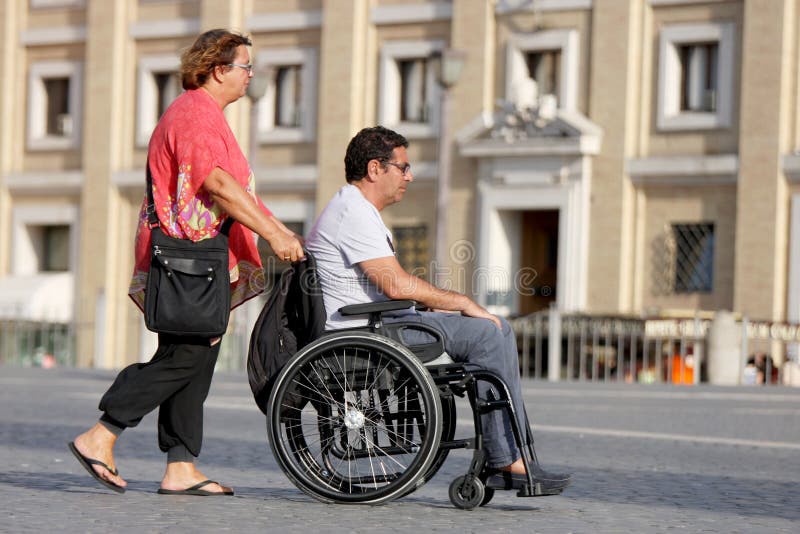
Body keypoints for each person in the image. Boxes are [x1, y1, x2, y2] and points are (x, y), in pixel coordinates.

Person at [69, 29, 304, 496]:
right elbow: (217, 184)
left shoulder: (205, 114)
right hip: (189, 258)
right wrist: (274, 232)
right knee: (188, 355)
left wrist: (279, 230)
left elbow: (232, 189)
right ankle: (101, 434)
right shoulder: (195, 113)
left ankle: (180, 466)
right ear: (219, 70)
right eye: (246, 67)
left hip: (198, 258)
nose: (250, 76)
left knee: (195, 356)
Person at [305, 126, 570, 492]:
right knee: (489, 333)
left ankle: (512, 455)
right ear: (374, 169)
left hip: (383, 323)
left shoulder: (354, 209)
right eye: (403, 167)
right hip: (367, 334)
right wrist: (462, 302)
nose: (409, 176)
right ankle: (506, 458)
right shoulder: (353, 213)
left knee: (493, 330)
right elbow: (395, 284)